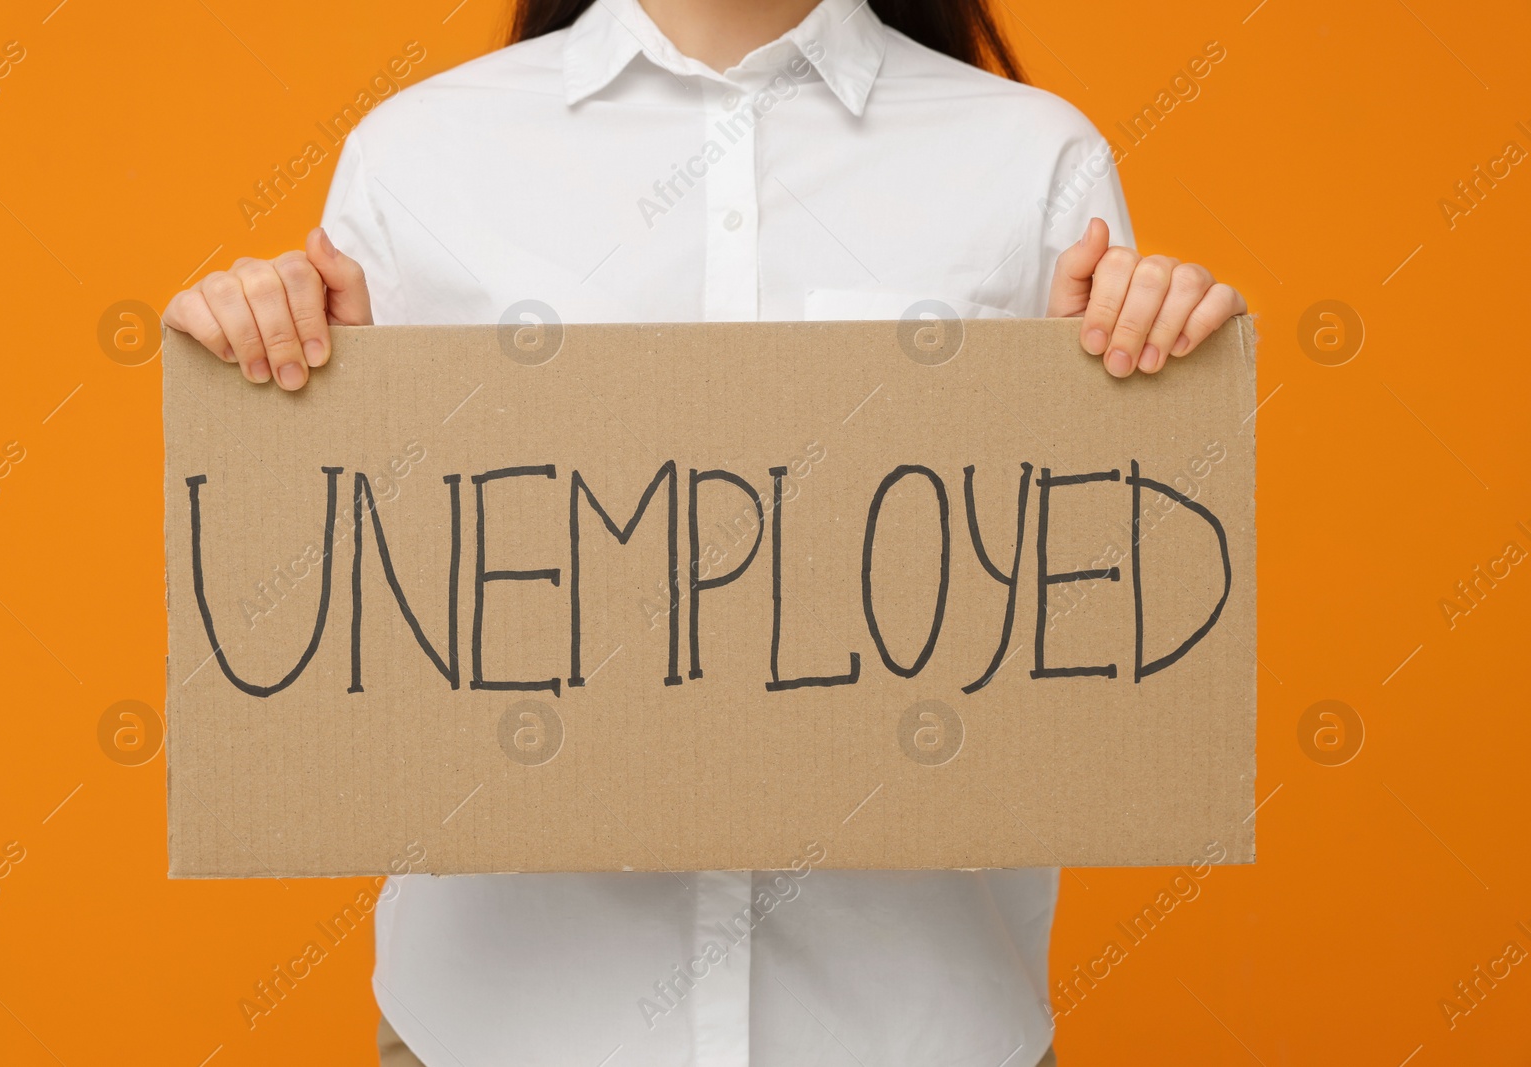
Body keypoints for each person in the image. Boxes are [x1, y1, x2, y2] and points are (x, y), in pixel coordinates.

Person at [164, 0, 1247, 1062]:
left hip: (913, 1029)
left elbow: (1073, 614)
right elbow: (373, 590)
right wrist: (276, 362)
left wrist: (1140, 362)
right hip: (498, 1029)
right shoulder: (420, 154)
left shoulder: (1028, 158)